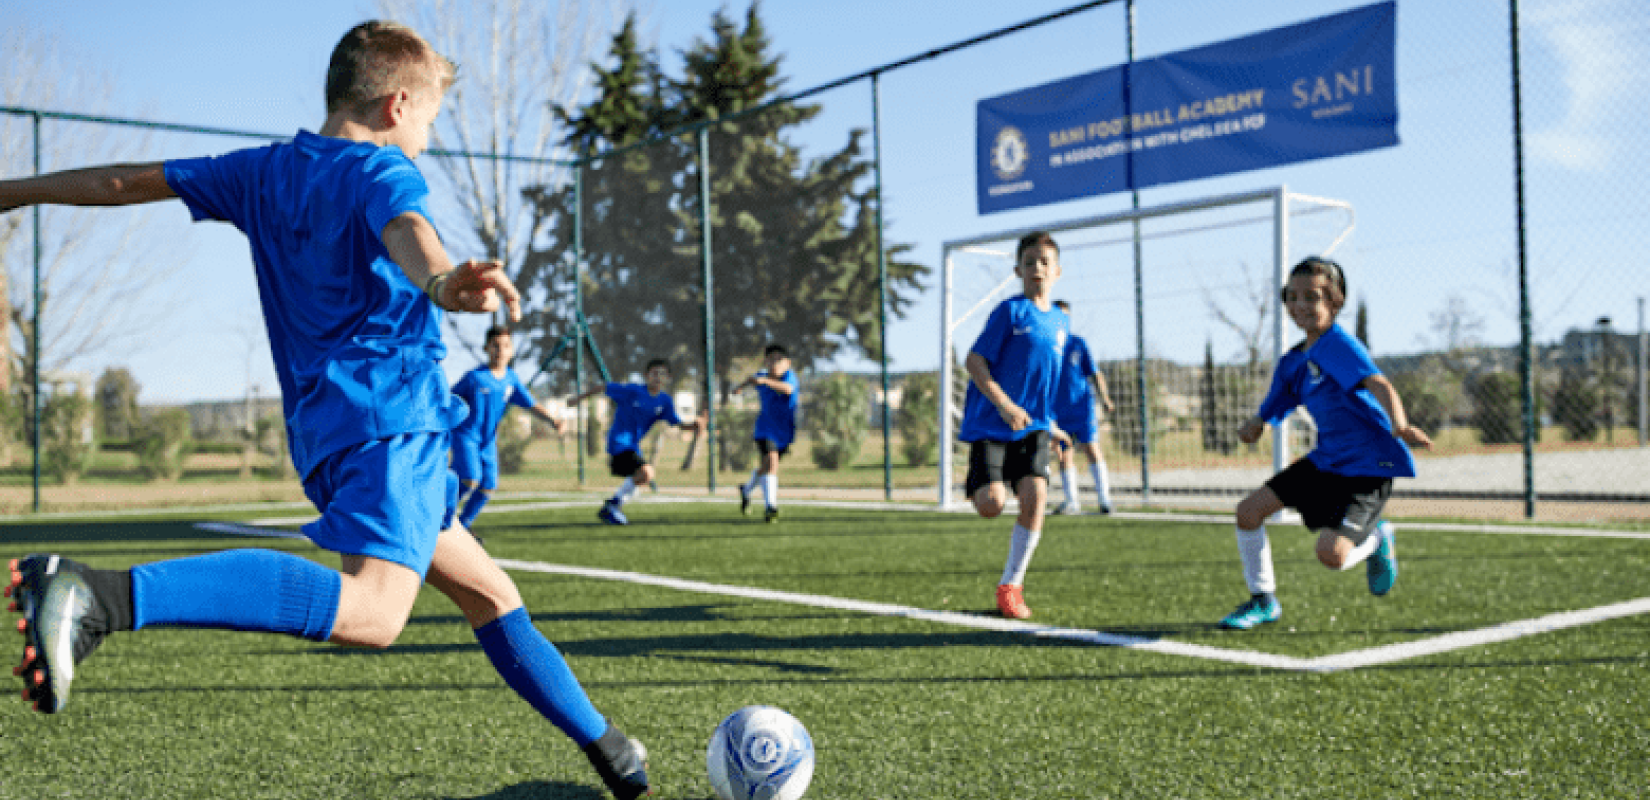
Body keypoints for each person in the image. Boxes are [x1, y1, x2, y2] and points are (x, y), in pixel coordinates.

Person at [0, 22, 650, 799]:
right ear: (397, 102)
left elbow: (121, 183)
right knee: (375, 615)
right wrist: (443, 283)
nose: (426, 139)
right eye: (432, 121)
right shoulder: (384, 170)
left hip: (330, 435)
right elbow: (410, 231)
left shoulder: (262, 171)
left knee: (491, 594)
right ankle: (99, 597)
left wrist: (11, 192)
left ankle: (614, 754)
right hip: (391, 423)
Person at [1218, 256, 1432, 631]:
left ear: (1335, 300)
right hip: (1327, 461)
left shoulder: (1339, 344)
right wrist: (1255, 425)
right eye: (1293, 296)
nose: (1300, 305)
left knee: (1331, 556)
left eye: (1312, 297)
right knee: (1248, 513)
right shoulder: (1292, 363)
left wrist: (1401, 425)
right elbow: (1273, 405)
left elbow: (1380, 384)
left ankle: (1379, 537)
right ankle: (1263, 600)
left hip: (1368, 466)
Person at [959, 231, 1070, 620]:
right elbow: (974, 361)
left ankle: (1011, 586)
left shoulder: (1060, 322)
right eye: (1029, 262)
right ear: (1018, 270)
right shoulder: (1010, 312)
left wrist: (1051, 425)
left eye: (1044, 262)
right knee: (991, 506)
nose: (1037, 268)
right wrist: (1005, 405)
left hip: (1034, 428)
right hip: (993, 423)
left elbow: (1044, 382)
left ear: (1057, 271)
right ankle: (975, 483)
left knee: (1036, 496)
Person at [450, 325, 566, 536]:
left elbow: (530, 404)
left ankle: (464, 526)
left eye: (505, 345)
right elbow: (449, 399)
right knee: (470, 478)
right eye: (495, 345)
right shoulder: (474, 378)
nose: (500, 350)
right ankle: (441, 513)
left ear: (511, 351)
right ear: (486, 348)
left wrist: (553, 420)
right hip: (466, 436)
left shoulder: (510, 379)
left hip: (487, 441)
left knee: (488, 486)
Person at [571, 359, 704, 526]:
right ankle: (613, 505)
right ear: (646, 376)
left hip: (633, 446)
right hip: (618, 442)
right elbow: (603, 387)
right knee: (646, 473)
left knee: (642, 477)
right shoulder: (632, 391)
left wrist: (694, 425)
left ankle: (612, 507)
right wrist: (577, 399)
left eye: (662, 374)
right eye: (654, 373)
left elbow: (676, 423)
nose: (657, 377)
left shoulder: (664, 401)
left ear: (668, 377)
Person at [1049, 300, 1117, 516]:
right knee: (1064, 454)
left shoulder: (1079, 344)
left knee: (1092, 448)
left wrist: (1104, 397)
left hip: (1082, 406)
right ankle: (1072, 502)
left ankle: (1105, 500)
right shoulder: (1046, 344)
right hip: (1057, 411)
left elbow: (1094, 373)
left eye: (1065, 316)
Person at [731, 344, 799, 523]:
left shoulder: (789, 377)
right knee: (773, 461)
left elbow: (787, 389)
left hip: (785, 431)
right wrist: (739, 388)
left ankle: (746, 490)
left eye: (779, 359)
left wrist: (765, 382)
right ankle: (771, 507)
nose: (774, 363)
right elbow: (751, 379)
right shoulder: (761, 376)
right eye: (771, 359)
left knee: (766, 467)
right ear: (766, 362)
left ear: (788, 363)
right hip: (764, 429)